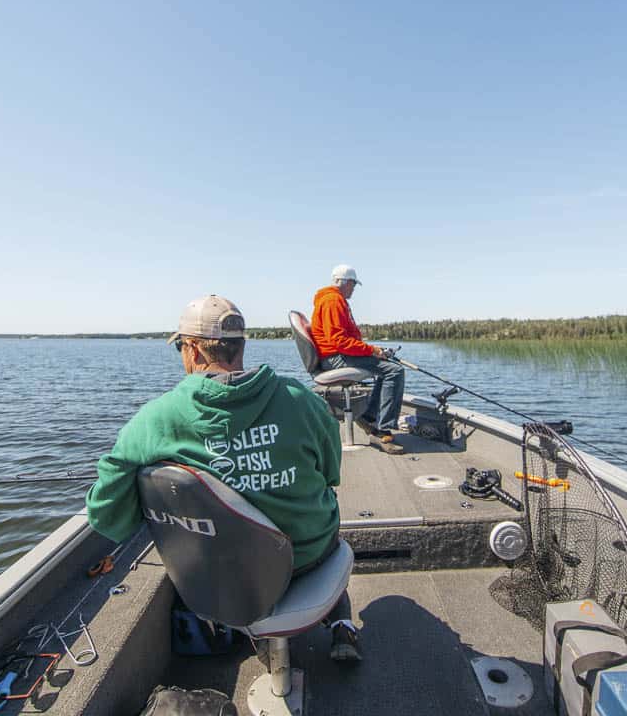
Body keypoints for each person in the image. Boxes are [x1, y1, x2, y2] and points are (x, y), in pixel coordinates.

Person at [85, 294, 360, 660]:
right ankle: (341, 622)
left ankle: (262, 641)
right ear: (240, 346)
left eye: (181, 347)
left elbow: (105, 512)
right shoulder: (301, 399)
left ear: (195, 351)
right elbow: (331, 473)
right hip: (307, 556)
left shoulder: (155, 419)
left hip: (222, 575)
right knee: (329, 512)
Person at [310, 264, 406, 451]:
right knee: (395, 371)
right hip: (335, 357)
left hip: (337, 354)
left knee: (386, 368)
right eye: (353, 284)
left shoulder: (334, 300)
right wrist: (372, 350)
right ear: (344, 282)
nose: (354, 288)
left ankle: (369, 416)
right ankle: (382, 430)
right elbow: (339, 341)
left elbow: (345, 340)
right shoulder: (332, 301)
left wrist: (374, 351)